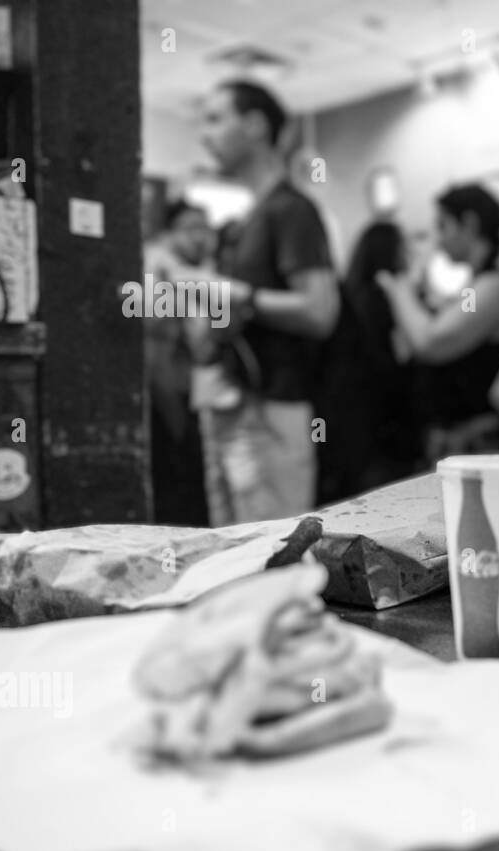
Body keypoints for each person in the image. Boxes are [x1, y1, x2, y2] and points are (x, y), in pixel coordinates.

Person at [195, 79, 339, 525]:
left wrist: (243, 297)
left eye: (217, 118)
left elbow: (320, 311)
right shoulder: (242, 222)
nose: (206, 134)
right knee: (235, 556)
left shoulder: (291, 209)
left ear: (255, 125)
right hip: (231, 402)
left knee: (270, 559)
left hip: (273, 408)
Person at [375, 183, 499, 462]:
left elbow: (430, 342)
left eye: (443, 226)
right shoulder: (476, 285)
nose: (438, 241)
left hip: (478, 448)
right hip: (458, 446)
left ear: (469, 224)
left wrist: (398, 290)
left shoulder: (492, 286)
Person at [322, 220, 420, 500]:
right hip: (383, 424)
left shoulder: (348, 295)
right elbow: (403, 357)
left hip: (349, 423)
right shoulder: (386, 299)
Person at [143, 199, 212, 526]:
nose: (200, 237)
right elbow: (153, 324)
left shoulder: (198, 272)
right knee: (175, 485)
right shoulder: (158, 265)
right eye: (190, 229)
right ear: (171, 232)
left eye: (204, 228)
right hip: (163, 395)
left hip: (190, 393)